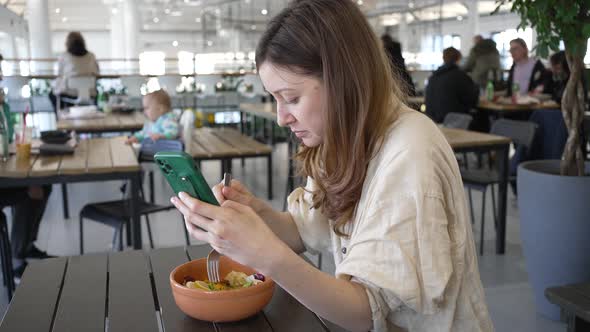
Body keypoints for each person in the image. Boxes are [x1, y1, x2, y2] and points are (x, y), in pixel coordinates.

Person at [171, 1, 493, 331]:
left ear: (343, 79)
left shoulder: (411, 150)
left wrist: (265, 254)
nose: (282, 117)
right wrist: (255, 216)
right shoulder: (339, 138)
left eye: (292, 98)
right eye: (275, 99)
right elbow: (307, 231)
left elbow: (364, 312)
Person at [0, 94, 53, 279]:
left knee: (44, 185)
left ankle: (27, 245)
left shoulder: (3, 106)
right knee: (28, 190)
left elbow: (5, 138)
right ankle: (16, 260)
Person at [425, 47, 479, 123]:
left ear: (443, 58)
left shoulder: (433, 76)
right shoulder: (461, 76)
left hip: (432, 122)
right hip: (452, 122)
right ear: (459, 59)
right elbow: (472, 100)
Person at [49, 31, 99, 109]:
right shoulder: (91, 56)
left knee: (53, 94)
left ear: (67, 43)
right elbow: (96, 73)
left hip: (70, 92)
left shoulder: (64, 56)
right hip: (90, 92)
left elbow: (60, 75)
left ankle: (61, 116)